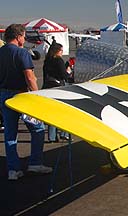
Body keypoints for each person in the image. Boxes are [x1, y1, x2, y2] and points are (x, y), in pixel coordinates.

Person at [0, 24, 52, 180]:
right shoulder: (22, 53)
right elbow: (29, 77)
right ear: (18, 37)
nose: (24, 39)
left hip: (4, 95)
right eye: (23, 36)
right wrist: (36, 96)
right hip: (21, 96)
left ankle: (13, 170)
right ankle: (35, 163)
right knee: (37, 128)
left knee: (10, 133)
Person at [42, 43, 70, 142]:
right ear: (57, 51)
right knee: (64, 112)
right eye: (61, 51)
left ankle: (52, 136)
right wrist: (68, 72)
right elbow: (64, 75)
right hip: (58, 87)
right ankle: (64, 133)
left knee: (51, 113)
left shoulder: (47, 60)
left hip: (47, 87)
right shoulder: (58, 60)